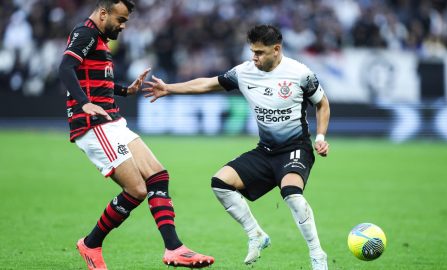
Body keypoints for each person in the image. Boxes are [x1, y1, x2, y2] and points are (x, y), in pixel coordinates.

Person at [144, 24, 330, 270]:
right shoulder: (244, 72)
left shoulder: (300, 73)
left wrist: (319, 136)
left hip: (296, 148)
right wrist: (169, 88)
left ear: (277, 49)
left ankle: (318, 256)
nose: (254, 57)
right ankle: (256, 235)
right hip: (266, 151)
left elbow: (323, 104)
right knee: (220, 183)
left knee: (292, 194)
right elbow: (207, 84)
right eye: (252, 51)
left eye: (260, 52)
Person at [58, 1, 214, 269]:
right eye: (120, 20)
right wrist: (83, 103)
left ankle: (174, 248)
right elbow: (65, 68)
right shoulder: (85, 34)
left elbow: (96, 81)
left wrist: (124, 91)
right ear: (103, 13)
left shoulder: (99, 39)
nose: (123, 26)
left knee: (158, 175)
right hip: (94, 124)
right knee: (136, 190)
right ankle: (91, 244)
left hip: (112, 120)